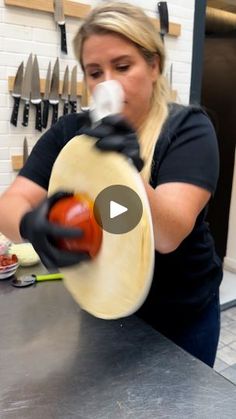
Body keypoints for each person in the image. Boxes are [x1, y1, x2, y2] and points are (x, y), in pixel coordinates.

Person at [0, 2, 222, 367]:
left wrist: (129, 169)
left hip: (181, 320)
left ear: (153, 66)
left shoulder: (188, 129)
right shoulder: (72, 133)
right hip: (102, 306)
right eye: (94, 72)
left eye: (122, 66)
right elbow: (12, 204)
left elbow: (168, 235)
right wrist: (31, 225)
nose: (107, 85)